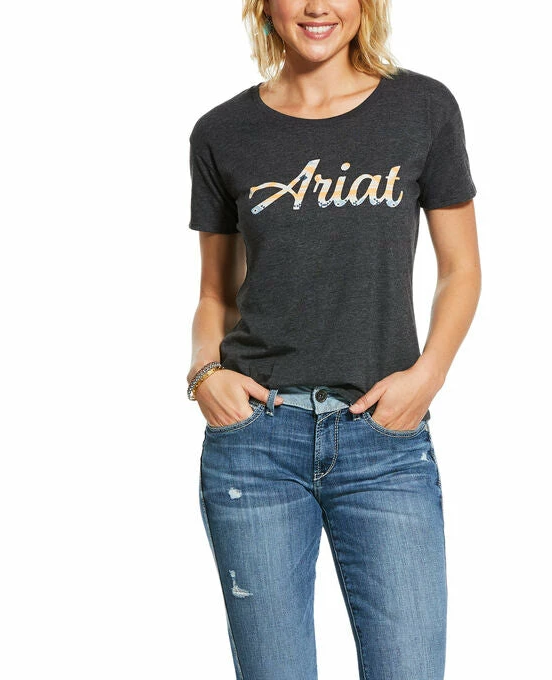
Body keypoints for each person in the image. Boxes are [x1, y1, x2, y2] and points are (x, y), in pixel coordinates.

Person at [186, 1, 481, 678]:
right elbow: (214, 294)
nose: (318, 6)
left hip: (384, 443)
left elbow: (461, 270)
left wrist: (428, 376)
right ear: (265, 6)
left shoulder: (423, 109)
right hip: (255, 445)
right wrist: (205, 374)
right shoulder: (222, 132)